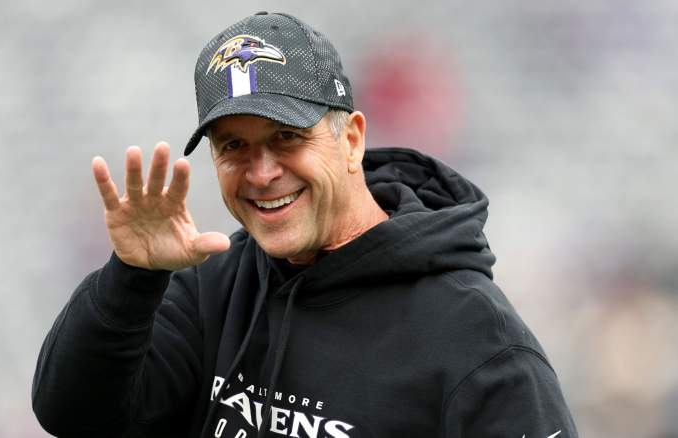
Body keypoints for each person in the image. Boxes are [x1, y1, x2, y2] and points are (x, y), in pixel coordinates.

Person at [32, 11, 578, 438]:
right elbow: (73, 415)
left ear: (353, 140)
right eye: (234, 148)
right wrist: (131, 275)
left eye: (287, 138)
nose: (263, 172)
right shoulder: (214, 285)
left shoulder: (480, 345)